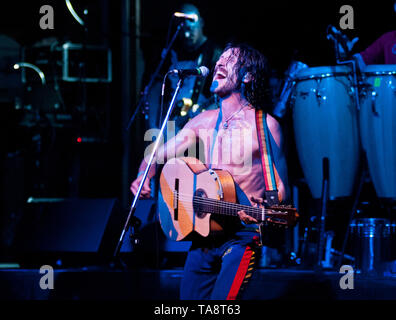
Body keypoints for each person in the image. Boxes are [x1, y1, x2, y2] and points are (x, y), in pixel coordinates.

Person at [131, 42, 288, 300]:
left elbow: (281, 187)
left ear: (247, 76)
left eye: (230, 59)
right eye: (219, 59)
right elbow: (158, 154)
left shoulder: (266, 126)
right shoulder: (202, 121)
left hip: (241, 236)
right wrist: (144, 175)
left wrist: (266, 208)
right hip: (203, 235)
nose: (219, 63)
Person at [145, 3, 222, 134]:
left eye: (191, 28)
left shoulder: (214, 53)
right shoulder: (171, 52)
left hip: (202, 126)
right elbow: (156, 88)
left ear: (201, 23)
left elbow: (221, 94)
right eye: (184, 30)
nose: (187, 35)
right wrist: (153, 125)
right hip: (171, 125)